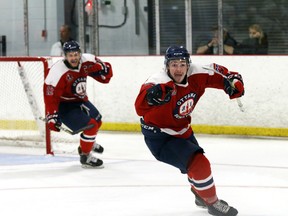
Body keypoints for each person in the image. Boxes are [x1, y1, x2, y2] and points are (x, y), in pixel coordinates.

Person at [134, 45, 244, 216]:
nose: (178, 69)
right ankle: (212, 203)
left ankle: (200, 194)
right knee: (199, 163)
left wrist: (234, 83)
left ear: (188, 64)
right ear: (166, 66)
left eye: (182, 64)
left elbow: (225, 75)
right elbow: (139, 108)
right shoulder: (158, 82)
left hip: (183, 130)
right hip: (160, 136)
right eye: (174, 64)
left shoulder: (197, 73)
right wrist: (150, 97)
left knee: (194, 167)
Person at [44, 40, 113, 168]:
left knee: (98, 121)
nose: (74, 58)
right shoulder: (57, 71)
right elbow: (50, 96)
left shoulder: (87, 61)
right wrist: (52, 116)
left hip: (81, 100)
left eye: (76, 54)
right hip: (64, 105)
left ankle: (87, 143)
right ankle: (85, 156)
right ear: (65, 55)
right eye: (70, 55)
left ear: (80, 53)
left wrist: (104, 70)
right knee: (91, 126)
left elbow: (105, 75)